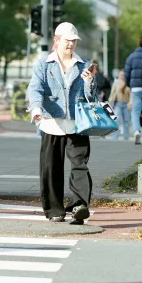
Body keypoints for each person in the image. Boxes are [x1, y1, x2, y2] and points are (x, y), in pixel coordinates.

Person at [26, 22, 95, 225]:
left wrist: (90, 82)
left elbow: (91, 96)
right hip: (51, 122)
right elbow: (35, 89)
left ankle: (80, 206)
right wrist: (36, 109)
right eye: (67, 40)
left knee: (80, 165)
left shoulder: (84, 64)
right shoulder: (43, 64)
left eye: (74, 41)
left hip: (77, 123)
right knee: (51, 167)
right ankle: (54, 210)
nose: (71, 45)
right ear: (57, 40)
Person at [125, 36, 142, 145]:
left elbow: (127, 74)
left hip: (136, 88)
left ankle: (137, 131)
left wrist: (130, 85)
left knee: (136, 111)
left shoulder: (131, 57)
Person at [109, 69, 132, 141]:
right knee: (116, 120)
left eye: (123, 75)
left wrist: (130, 103)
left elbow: (131, 95)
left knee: (126, 121)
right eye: (121, 75)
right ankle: (114, 137)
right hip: (118, 104)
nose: (122, 76)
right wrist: (110, 103)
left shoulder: (128, 83)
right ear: (119, 75)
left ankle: (126, 137)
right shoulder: (116, 83)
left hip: (126, 104)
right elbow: (112, 94)